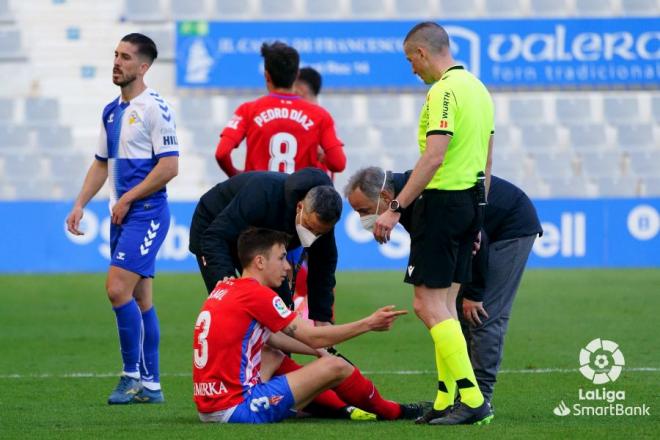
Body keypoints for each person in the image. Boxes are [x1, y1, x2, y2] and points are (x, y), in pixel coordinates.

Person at [371, 22, 495, 425]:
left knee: (426, 304)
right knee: (445, 306)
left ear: (423, 53)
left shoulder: (443, 91)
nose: (412, 69)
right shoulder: (479, 89)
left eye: (411, 60)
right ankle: (446, 398)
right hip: (470, 202)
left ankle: (473, 399)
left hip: (441, 203)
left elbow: (434, 156)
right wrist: (479, 213)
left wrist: (396, 207)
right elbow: (487, 159)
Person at [345, 167, 542, 409]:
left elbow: (477, 238)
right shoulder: (410, 198)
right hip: (481, 230)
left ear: (386, 197)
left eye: (363, 210)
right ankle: (461, 398)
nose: (361, 218)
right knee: (449, 313)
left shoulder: (421, 199)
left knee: (483, 315)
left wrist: (474, 294)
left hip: (510, 226)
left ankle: (479, 399)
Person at [193, 227, 425, 423]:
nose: (287, 266)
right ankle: (394, 411)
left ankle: (338, 408)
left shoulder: (226, 287)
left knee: (273, 354)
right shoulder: (257, 295)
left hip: (209, 406)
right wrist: (368, 323)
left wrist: (317, 351)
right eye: (281, 258)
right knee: (336, 367)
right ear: (260, 261)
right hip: (237, 408)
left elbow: (272, 338)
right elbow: (314, 336)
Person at [65, 33, 179, 405]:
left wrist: (128, 197)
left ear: (143, 67)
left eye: (126, 57)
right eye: (115, 54)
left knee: (117, 289)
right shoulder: (111, 111)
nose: (117, 62)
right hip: (123, 215)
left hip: (146, 213)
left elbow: (170, 167)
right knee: (141, 299)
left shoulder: (154, 108)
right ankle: (152, 385)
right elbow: (101, 163)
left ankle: (131, 376)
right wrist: (80, 203)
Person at [189, 168, 340, 326]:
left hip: (259, 242)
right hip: (214, 227)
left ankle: (276, 351)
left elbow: (323, 268)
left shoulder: (324, 216)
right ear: (299, 207)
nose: (312, 234)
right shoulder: (263, 193)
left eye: (319, 232)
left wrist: (322, 319)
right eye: (309, 226)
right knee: (232, 308)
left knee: (282, 312)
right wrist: (227, 281)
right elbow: (215, 236)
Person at [214, 42, 346, 177]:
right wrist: (323, 157)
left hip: (258, 194)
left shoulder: (248, 110)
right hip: (298, 196)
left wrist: (236, 176)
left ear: (266, 75)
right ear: (296, 75)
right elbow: (339, 163)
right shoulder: (320, 115)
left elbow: (222, 153)